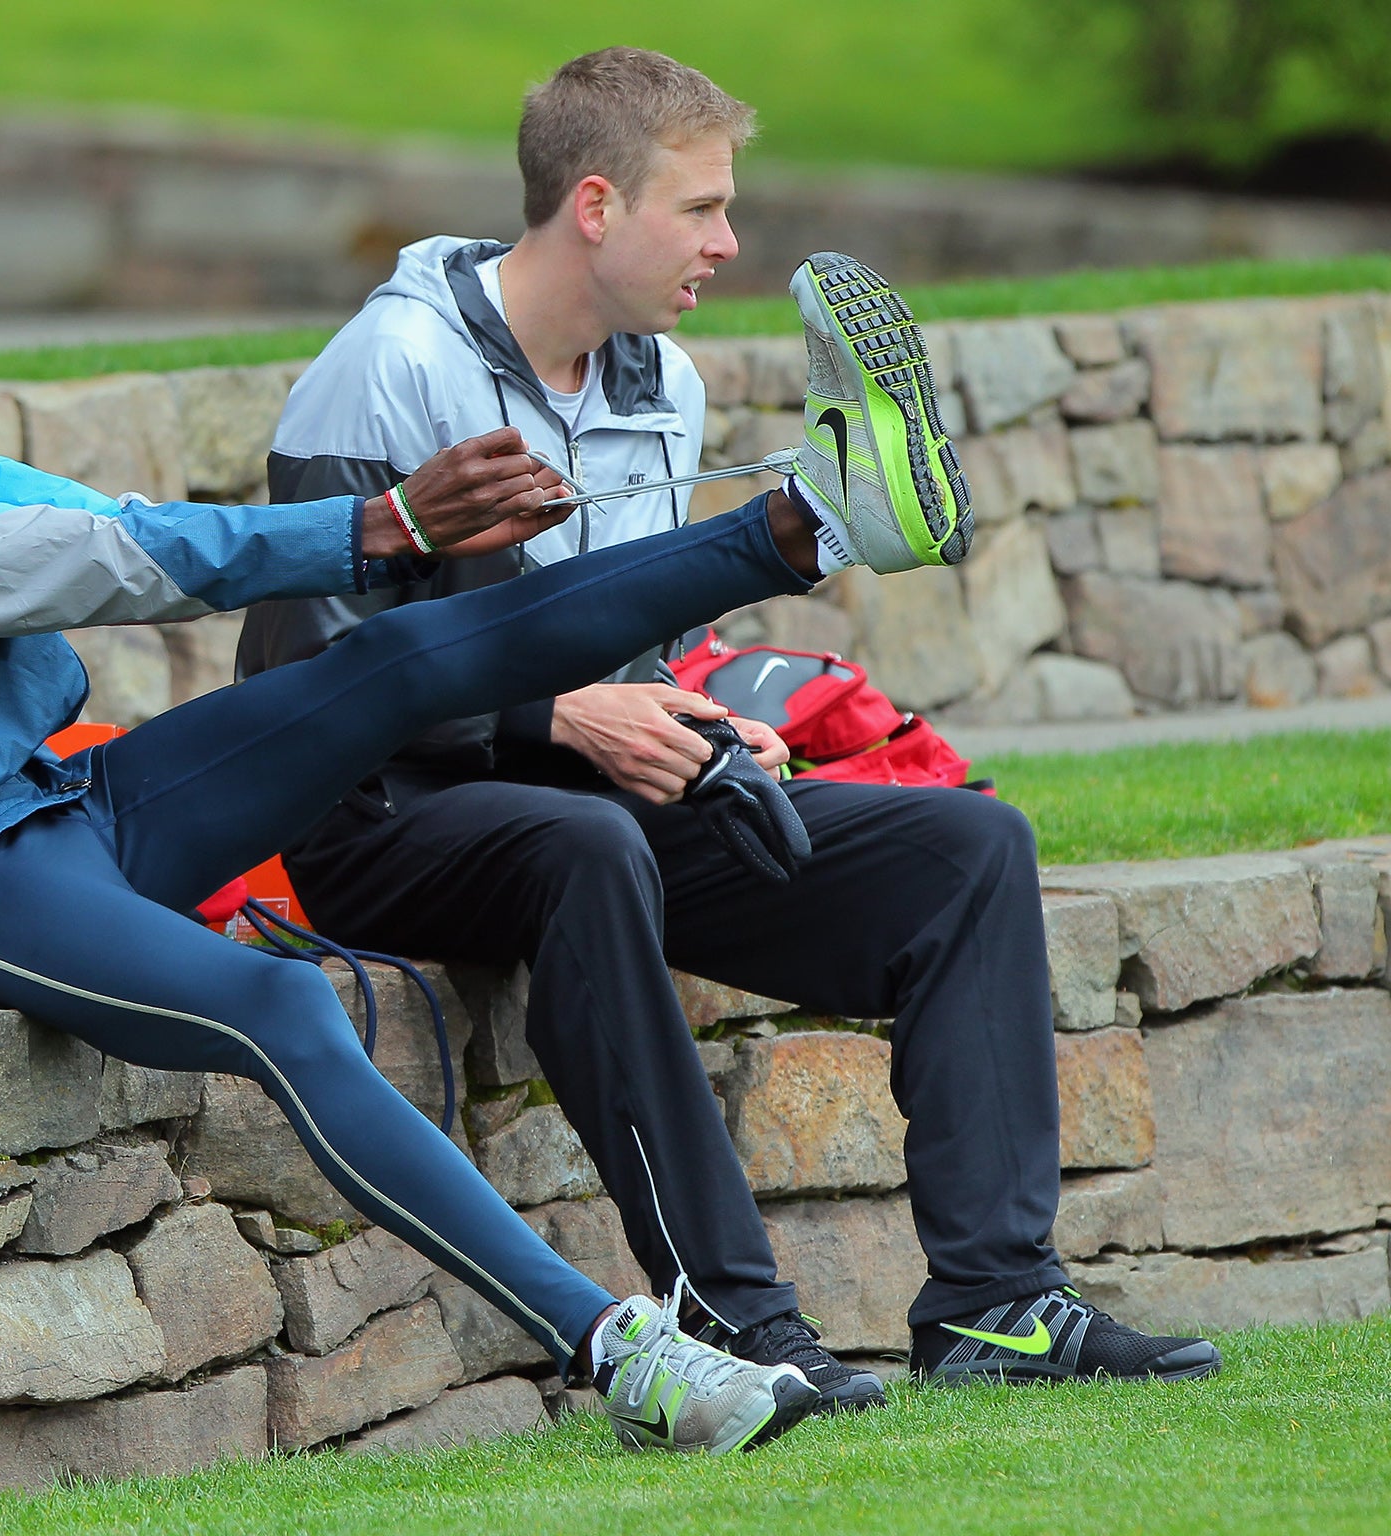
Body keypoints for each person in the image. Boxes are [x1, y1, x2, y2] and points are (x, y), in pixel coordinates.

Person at [0, 162, 922, 1457]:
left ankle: (807, 522)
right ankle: (626, 1357)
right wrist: (378, 524)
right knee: (283, 1008)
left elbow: (121, 516)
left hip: (64, 803)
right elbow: (94, 562)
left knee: (388, 668)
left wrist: (384, 534)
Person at [237, 47, 1221, 1405]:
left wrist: (700, 721)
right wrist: (558, 711)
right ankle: (737, 1324)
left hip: (585, 803)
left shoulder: (667, 388)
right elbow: (312, 667)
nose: (729, 239)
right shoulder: (385, 367)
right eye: (700, 209)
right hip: (380, 819)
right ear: (596, 206)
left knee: (966, 851)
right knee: (585, 847)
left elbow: (625, 642)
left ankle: (998, 1304)